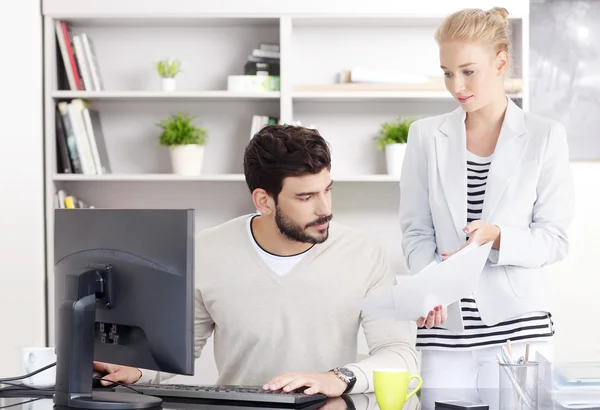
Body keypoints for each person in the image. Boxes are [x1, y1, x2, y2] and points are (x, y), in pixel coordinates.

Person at [94, 124, 419, 397]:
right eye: (306, 197)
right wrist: (133, 369)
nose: (324, 209)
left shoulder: (363, 253)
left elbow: (400, 353)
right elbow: (177, 351)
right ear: (264, 200)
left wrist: (338, 378)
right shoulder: (206, 251)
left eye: (327, 190)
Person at [397, 6, 574, 401]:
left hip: (519, 334)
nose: (456, 85)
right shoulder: (425, 136)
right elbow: (416, 229)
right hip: (445, 334)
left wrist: (498, 237)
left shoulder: (544, 136)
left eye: (467, 70)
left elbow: (555, 238)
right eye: (447, 72)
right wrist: (430, 287)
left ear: (500, 62)